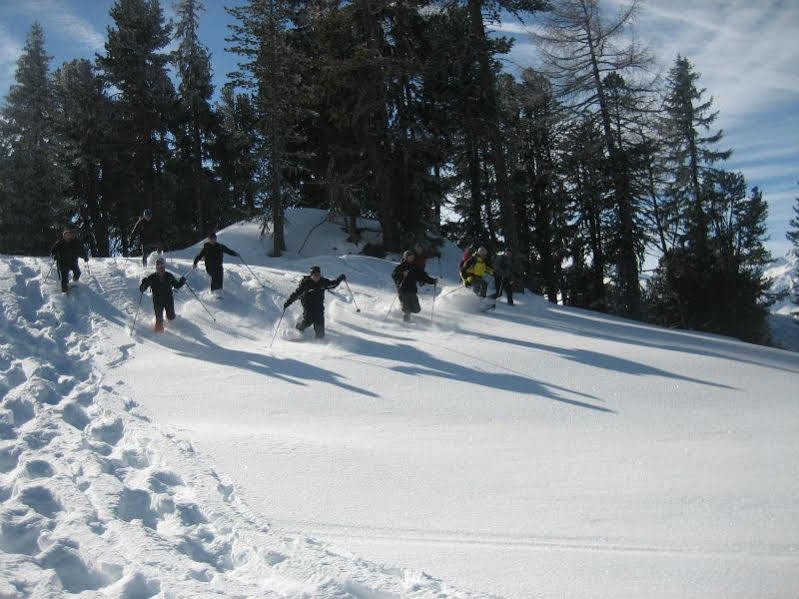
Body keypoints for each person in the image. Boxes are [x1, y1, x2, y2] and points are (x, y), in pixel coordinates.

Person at [283, 266, 345, 339]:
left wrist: (340, 278)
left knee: (320, 326)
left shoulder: (323, 282)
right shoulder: (306, 283)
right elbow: (296, 294)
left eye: (318, 275)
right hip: (307, 304)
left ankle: (319, 342)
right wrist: (288, 302)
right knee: (308, 319)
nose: (317, 277)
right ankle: (298, 328)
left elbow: (333, 284)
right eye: (315, 275)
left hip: (319, 306)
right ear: (311, 275)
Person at [139, 256, 187, 332]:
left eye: (162, 266)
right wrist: (143, 283)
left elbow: (177, 285)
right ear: (156, 267)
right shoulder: (152, 277)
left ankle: (173, 328)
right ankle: (159, 336)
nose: (161, 268)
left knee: (171, 317)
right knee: (159, 320)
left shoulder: (169, 276)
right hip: (157, 301)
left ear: (164, 267)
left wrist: (182, 281)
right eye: (159, 266)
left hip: (168, 299)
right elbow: (142, 289)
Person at [392, 249, 437, 322]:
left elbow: (423, 276)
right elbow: (394, 275)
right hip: (403, 290)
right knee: (407, 309)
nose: (411, 258)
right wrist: (402, 274)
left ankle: (403, 311)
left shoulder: (415, 267)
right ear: (405, 257)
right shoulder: (401, 266)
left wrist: (432, 281)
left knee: (416, 309)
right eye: (410, 257)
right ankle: (405, 324)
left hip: (412, 290)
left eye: (412, 257)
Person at [51, 229, 88, 293]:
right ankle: (64, 292)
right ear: (64, 236)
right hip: (63, 263)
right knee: (64, 278)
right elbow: (53, 251)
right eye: (66, 235)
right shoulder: (59, 243)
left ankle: (74, 282)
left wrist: (84, 256)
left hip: (73, 262)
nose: (68, 237)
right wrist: (55, 256)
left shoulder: (75, 243)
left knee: (78, 272)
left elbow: (80, 251)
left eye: (69, 235)